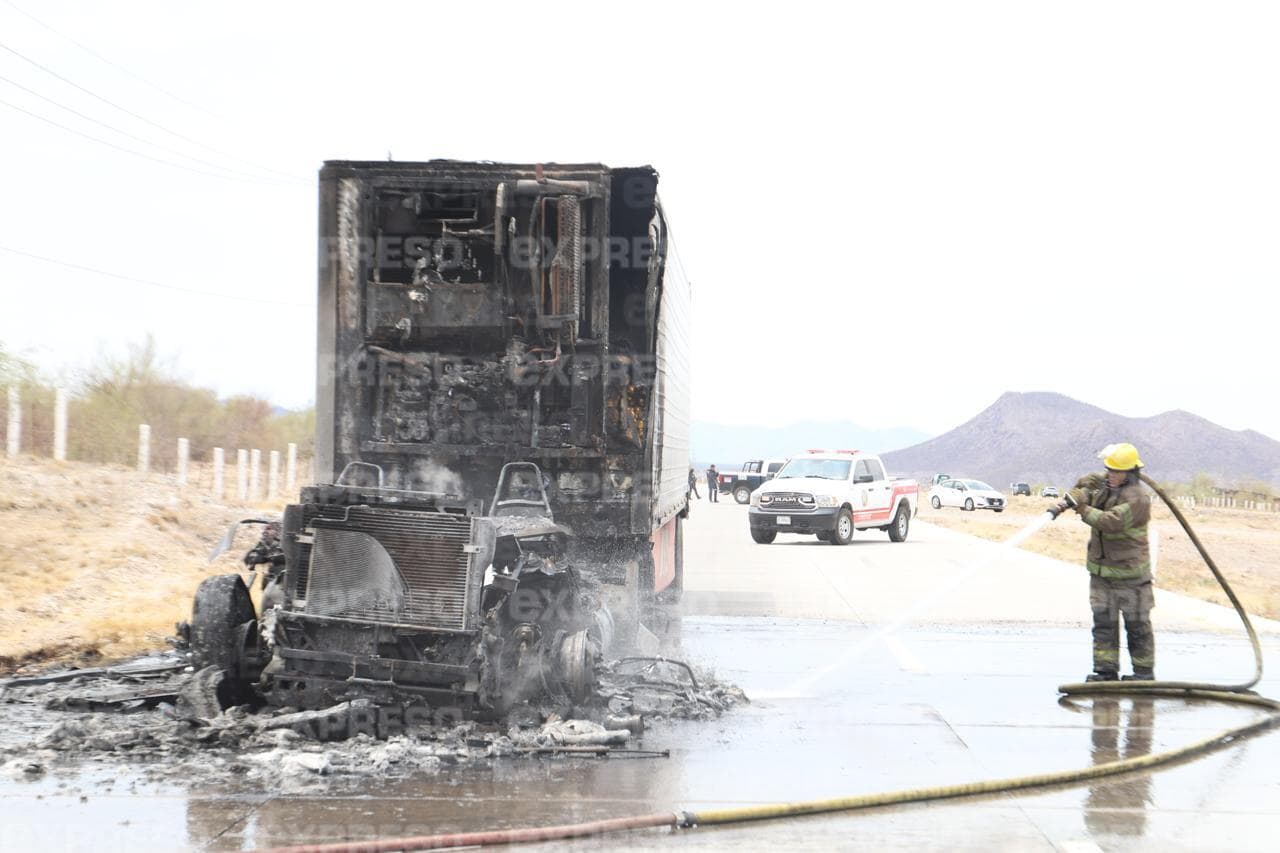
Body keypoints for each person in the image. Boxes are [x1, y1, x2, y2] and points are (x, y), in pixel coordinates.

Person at [1069, 442, 1155, 682]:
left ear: (1129, 473)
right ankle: (1105, 672)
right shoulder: (1107, 489)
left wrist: (1083, 509)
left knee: (1137, 627)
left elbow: (1110, 521)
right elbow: (1087, 490)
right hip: (1102, 575)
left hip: (1131, 577)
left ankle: (1143, 674)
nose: (1111, 475)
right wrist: (1082, 488)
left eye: (1116, 471)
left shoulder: (1139, 499)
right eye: (1109, 470)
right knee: (1103, 626)